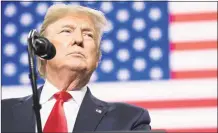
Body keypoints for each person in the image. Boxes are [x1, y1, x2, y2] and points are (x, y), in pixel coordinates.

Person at [1, 4, 151, 132]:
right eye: (67, 31)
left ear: (97, 57)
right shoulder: (3, 114)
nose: (78, 40)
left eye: (88, 35)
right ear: (41, 49)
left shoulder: (129, 120)